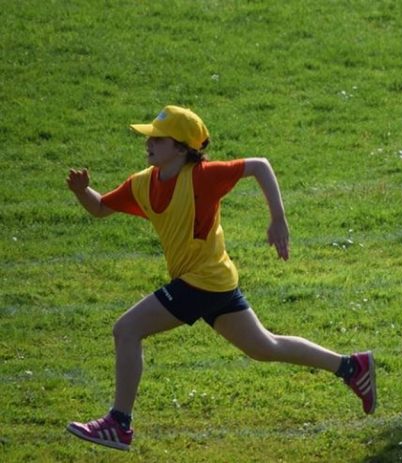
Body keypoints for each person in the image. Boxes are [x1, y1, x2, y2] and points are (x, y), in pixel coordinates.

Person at [65, 105, 376, 451]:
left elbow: (260, 166)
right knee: (264, 347)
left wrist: (278, 219)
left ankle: (118, 424)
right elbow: (100, 208)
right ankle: (351, 367)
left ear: (182, 148)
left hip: (202, 281)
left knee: (127, 329)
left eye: (159, 139)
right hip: (215, 281)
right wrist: (82, 191)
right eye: (149, 137)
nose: (149, 143)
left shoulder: (203, 176)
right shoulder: (142, 184)